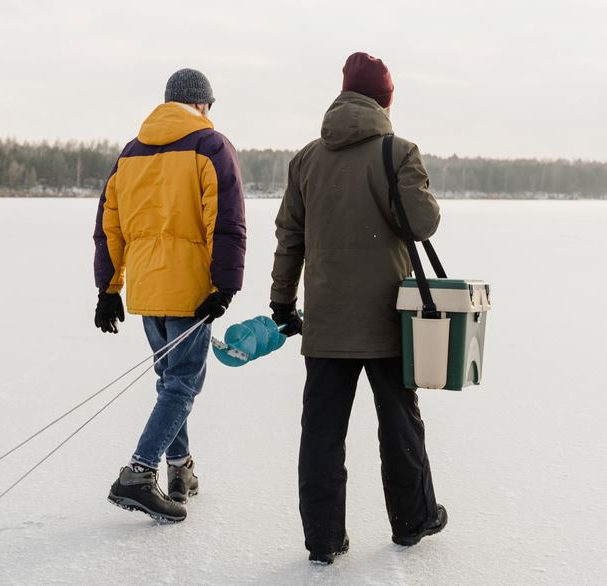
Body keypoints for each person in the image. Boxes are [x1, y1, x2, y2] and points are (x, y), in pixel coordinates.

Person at [269, 52, 447, 564]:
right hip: (389, 319)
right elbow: (423, 223)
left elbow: (290, 238)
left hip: (325, 324)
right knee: (400, 423)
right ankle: (413, 521)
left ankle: (324, 539)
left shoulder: (306, 158)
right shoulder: (398, 151)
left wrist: (283, 301)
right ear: (384, 100)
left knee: (321, 434)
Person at [93, 68, 246, 523]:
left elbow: (109, 227)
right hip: (190, 292)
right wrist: (224, 287)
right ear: (200, 104)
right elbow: (227, 221)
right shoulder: (210, 147)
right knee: (182, 384)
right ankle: (139, 474)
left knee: (169, 383)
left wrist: (108, 289)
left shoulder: (131, 153)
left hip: (146, 290)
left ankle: (181, 471)